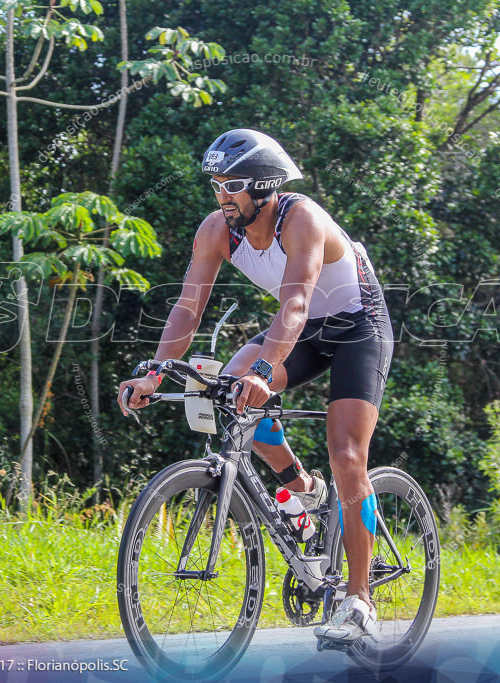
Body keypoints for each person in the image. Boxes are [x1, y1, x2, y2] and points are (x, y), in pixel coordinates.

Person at [117, 128, 393, 645]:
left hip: (358, 328)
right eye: (216, 185)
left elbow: (294, 304)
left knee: (347, 452)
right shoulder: (216, 229)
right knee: (225, 391)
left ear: (265, 187)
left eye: (233, 185)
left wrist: (264, 372)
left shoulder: (301, 217)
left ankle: (359, 600)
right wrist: (155, 371)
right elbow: (187, 308)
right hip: (307, 331)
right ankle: (301, 489)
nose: (222, 196)